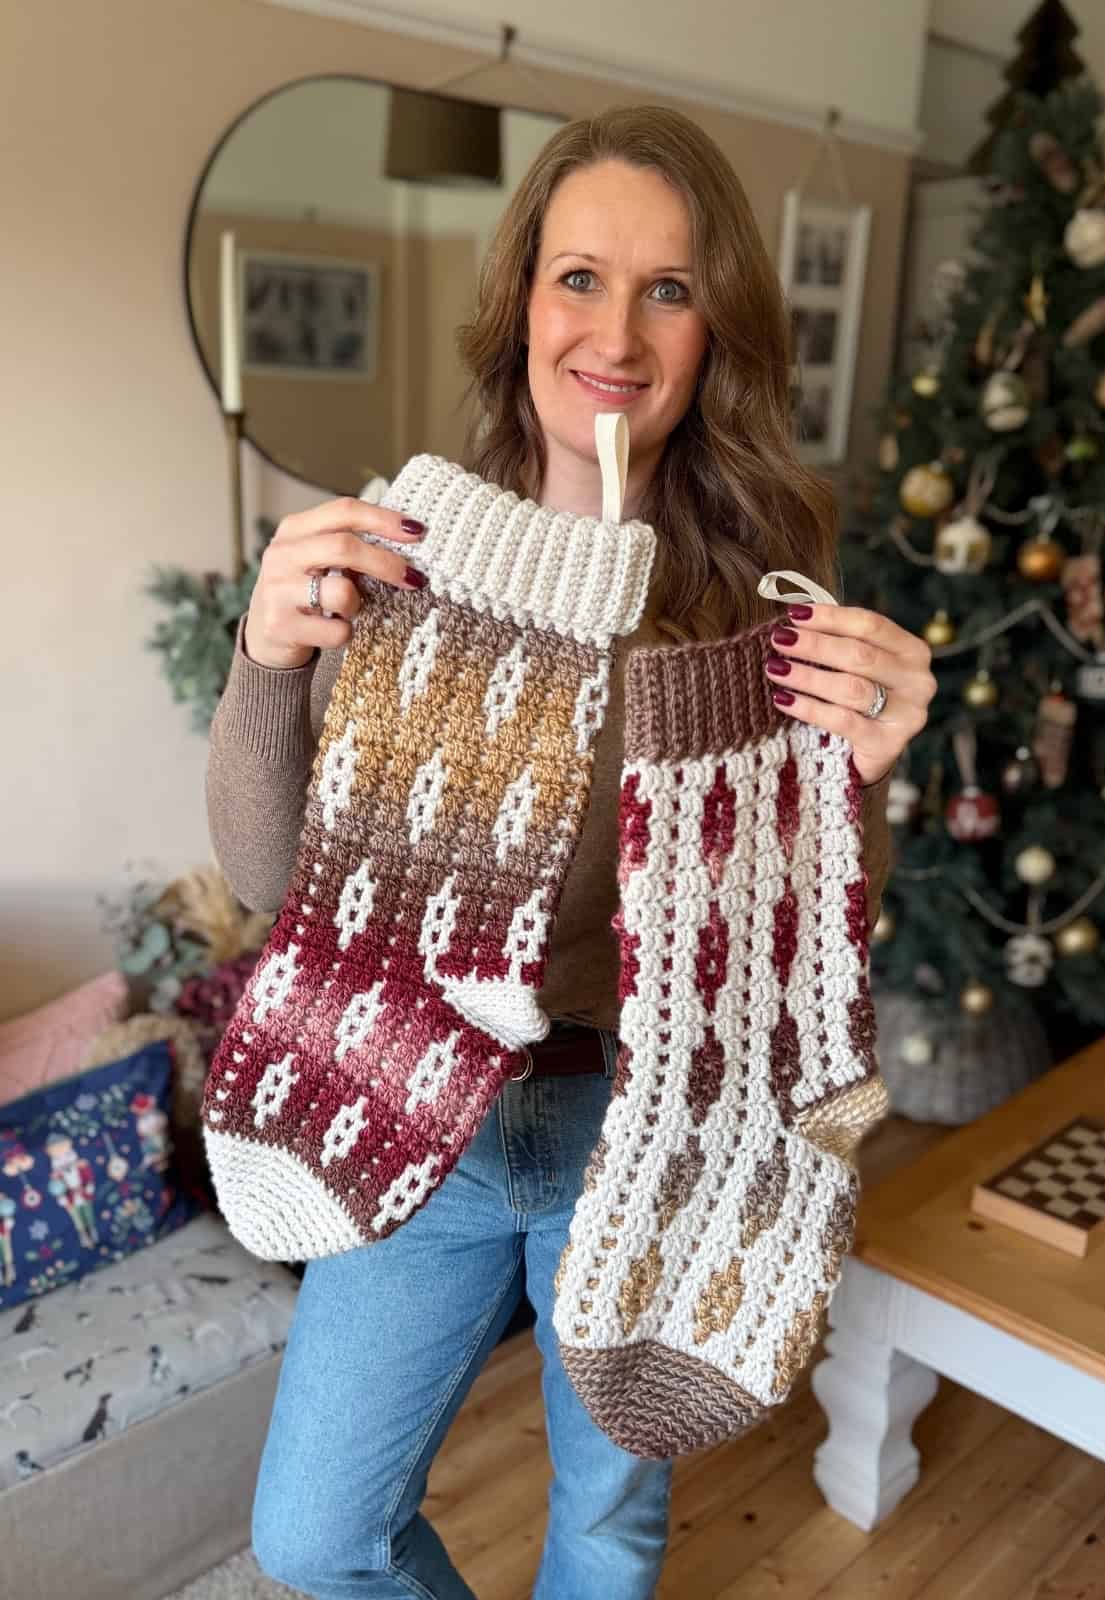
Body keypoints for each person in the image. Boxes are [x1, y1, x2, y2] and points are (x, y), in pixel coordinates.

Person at [206, 105, 935, 1600]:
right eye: (578, 277)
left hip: (647, 1122)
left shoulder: (763, 598)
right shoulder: (417, 558)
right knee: (314, 1535)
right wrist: (267, 667)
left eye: (670, 287)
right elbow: (287, 890)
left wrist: (860, 777)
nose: (617, 329)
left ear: (715, 325)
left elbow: (809, 935)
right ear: (521, 302)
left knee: (606, 1526)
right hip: (419, 1102)